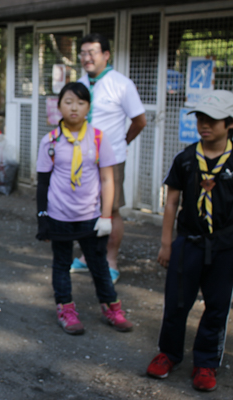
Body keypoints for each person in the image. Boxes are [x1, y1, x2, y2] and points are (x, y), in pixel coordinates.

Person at [146, 91, 233, 392]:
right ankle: (168, 354)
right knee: (176, 302)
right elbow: (171, 203)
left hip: (225, 247)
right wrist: (167, 243)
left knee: (218, 306)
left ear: (230, 123)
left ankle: (206, 363)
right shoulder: (185, 159)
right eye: (200, 118)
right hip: (188, 243)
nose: (204, 124)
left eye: (213, 119)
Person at [36, 82, 133, 336]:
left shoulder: (99, 138)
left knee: (99, 264)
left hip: (91, 216)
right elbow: (43, 182)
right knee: (61, 263)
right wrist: (42, 217)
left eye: (80, 102)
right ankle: (66, 309)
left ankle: (111, 307)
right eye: (68, 102)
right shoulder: (50, 141)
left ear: (88, 107)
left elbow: (107, 179)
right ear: (59, 106)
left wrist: (107, 215)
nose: (74, 108)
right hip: (59, 215)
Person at [72, 33, 147, 283]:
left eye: (92, 52)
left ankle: (111, 261)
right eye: (83, 53)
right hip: (82, 157)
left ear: (106, 55)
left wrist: (122, 142)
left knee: (111, 210)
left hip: (110, 160)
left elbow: (140, 120)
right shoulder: (80, 83)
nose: (86, 57)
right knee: (86, 207)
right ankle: (86, 257)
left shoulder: (121, 84)